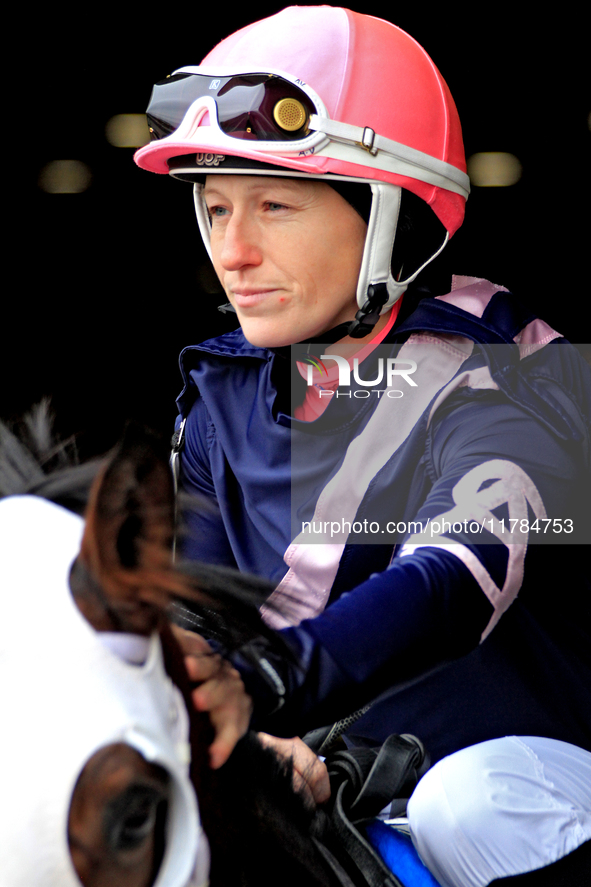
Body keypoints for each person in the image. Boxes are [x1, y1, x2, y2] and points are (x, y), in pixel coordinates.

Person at [134, 6, 591, 885]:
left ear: (397, 222)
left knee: (469, 803)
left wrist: (263, 688)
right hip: (339, 785)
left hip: (523, 781)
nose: (233, 250)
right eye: (215, 207)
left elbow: (451, 582)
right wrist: (245, 732)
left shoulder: (526, 374)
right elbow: (192, 613)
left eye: (273, 206)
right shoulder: (221, 390)